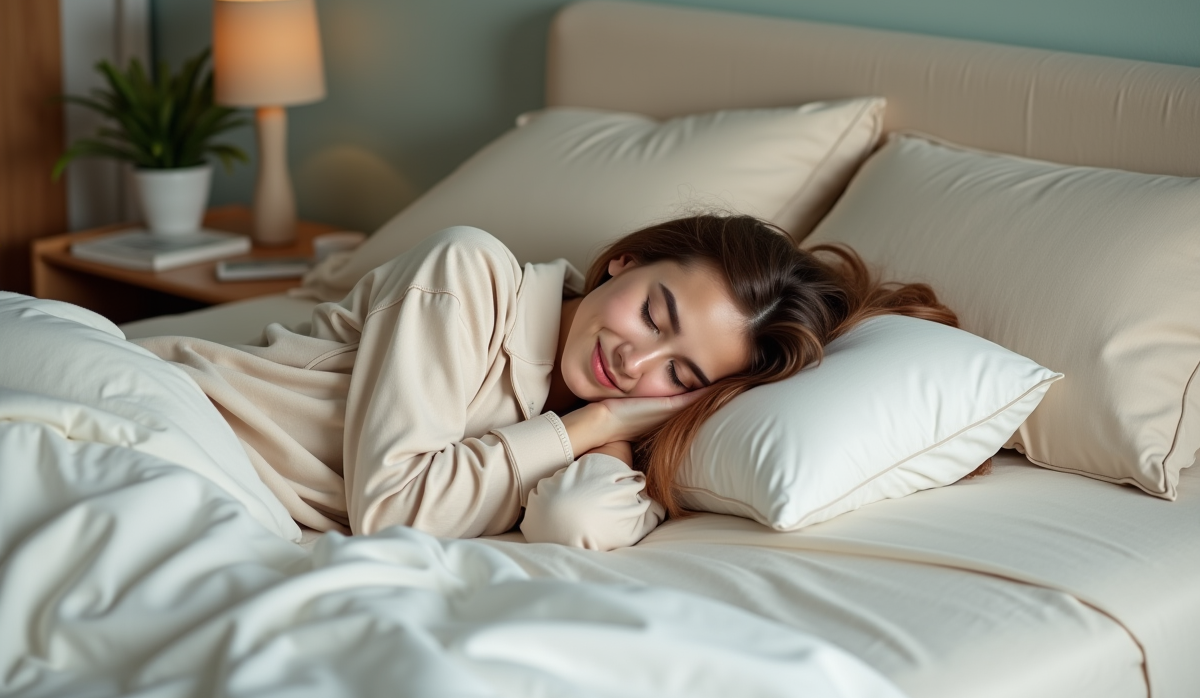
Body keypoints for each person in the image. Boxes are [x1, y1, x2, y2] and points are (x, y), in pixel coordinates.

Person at [135, 214, 955, 550]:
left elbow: (570, 516)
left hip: (200, 488)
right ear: (625, 260)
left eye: (680, 371)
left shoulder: (622, 427)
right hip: (157, 411)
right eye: (653, 312)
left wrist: (614, 434)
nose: (635, 363)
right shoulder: (471, 274)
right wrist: (585, 429)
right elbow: (395, 510)